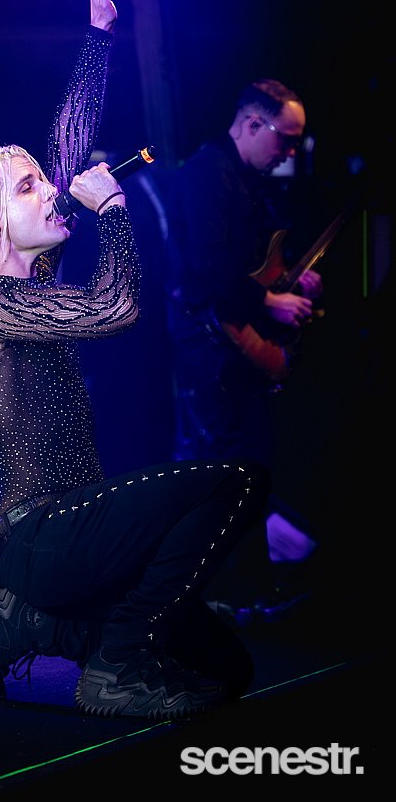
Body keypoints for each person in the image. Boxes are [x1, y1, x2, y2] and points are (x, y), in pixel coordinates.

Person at [0, 0, 271, 721]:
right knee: (237, 479)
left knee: (229, 666)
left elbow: (66, 147)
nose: (51, 193)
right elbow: (113, 309)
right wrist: (114, 213)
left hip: (83, 535)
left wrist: (99, 30)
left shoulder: (29, 284)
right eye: (27, 189)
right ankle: (112, 663)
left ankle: (47, 624)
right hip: (41, 539)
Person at [165, 79, 324, 623]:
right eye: (285, 138)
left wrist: (290, 282)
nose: (289, 152)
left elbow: (252, 266)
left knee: (251, 462)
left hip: (234, 343)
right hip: (210, 346)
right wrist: (270, 302)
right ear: (253, 123)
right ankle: (226, 593)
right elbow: (209, 268)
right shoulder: (207, 174)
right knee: (228, 466)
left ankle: (252, 587)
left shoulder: (247, 181)